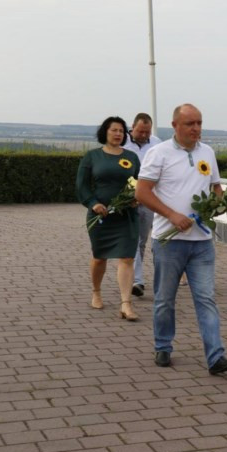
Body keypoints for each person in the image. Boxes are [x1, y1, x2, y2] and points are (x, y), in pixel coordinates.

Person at [135, 103, 227, 375]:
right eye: (190, 124)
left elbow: (216, 188)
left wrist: (217, 205)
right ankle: (163, 345)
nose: (196, 129)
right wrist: (172, 215)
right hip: (168, 242)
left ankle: (216, 356)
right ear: (175, 126)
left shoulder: (208, 152)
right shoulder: (159, 153)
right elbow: (142, 193)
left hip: (202, 242)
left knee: (206, 298)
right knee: (164, 299)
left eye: (199, 123)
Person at [76, 116, 141, 321]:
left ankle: (126, 304)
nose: (118, 134)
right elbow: (81, 185)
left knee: (127, 257)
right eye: (114, 130)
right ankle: (96, 291)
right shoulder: (92, 157)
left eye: (121, 131)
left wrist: (136, 199)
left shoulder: (132, 157)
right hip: (100, 216)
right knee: (99, 256)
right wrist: (93, 203)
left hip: (126, 215)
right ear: (105, 132)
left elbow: (140, 183)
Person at [123, 113, 162, 298]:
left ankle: (149, 279)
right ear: (133, 127)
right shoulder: (123, 143)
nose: (144, 135)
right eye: (140, 131)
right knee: (135, 240)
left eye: (147, 132)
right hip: (129, 199)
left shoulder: (157, 143)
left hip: (151, 199)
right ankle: (137, 281)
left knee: (148, 240)